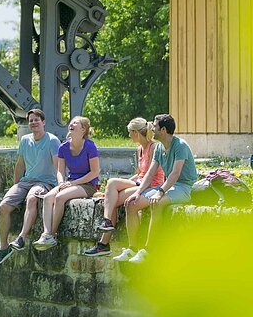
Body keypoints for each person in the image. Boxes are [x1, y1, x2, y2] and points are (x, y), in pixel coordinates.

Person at [115, 113, 197, 263]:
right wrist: (138, 193)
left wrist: (160, 192)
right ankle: (132, 248)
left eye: (155, 125)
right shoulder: (159, 147)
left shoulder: (180, 146)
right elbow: (150, 172)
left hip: (184, 187)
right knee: (130, 204)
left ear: (164, 130)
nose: (151, 127)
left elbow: (175, 174)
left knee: (157, 203)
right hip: (169, 186)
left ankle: (147, 250)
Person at [82, 117, 163, 259]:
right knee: (111, 196)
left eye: (130, 132)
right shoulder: (140, 149)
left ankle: (104, 241)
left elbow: (150, 175)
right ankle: (104, 239)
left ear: (136, 133)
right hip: (140, 182)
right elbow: (139, 173)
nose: (129, 135)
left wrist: (124, 187)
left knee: (112, 188)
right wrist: (122, 184)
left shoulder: (154, 147)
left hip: (151, 185)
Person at [0, 108, 61, 266]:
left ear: (43, 122)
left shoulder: (52, 140)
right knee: (3, 207)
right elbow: (20, 165)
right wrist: (16, 186)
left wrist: (59, 185)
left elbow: (58, 167)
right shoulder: (25, 140)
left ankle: (21, 238)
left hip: (45, 182)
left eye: (37, 119)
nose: (34, 122)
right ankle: (3, 248)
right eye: (31, 120)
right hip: (25, 181)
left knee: (32, 198)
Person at [34, 116, 100, 250]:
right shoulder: (63, 147)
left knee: (59, 198)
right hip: (70, 183)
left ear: (83, 129)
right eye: (71, 123)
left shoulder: (90, 146)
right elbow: (59, 170)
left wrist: (73, 183)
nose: (72, 124)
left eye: (75, 123)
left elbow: (94, 172)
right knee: (47, 197)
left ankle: (52, 235)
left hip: (87, 185)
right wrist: (61, 183)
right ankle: (46, 234)